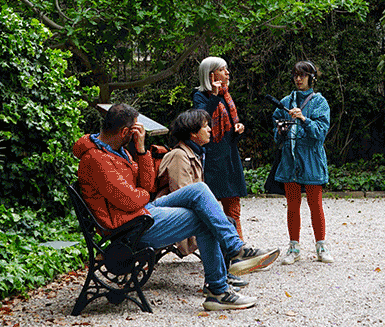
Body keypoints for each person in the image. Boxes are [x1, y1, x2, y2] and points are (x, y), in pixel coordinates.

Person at [74, 104, 279, 311]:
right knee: (202, 218)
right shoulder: (96, 160)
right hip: (129, 227)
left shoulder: (118, 151)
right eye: (136, 129)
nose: (139, 132)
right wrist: (142, 195)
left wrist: (142, 150)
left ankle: (235, 248)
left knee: (198, 190)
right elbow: (131, 200)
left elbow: (147, 185)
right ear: (125, 132)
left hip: (140, 212)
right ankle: (218, 289)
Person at [271, 61, 333, 265]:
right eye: (296, 75)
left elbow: (320, 133)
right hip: (290, 160)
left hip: (312, 160)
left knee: (315, 205)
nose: (299, 79)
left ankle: (321, 247)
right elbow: (276, 136)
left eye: (303, 75)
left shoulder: (320, 103)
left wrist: (304, 119)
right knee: (292, 206)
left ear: (311, 78)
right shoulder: (285, 101)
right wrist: (282, 129)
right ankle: (293, 247)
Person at [193, 57, 248, 239]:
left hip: (230, 156)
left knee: (233, 204)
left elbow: (229, 125)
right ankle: (219, 251)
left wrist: (238, 129)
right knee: (212, 206)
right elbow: (202, 120)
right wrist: (214, 97)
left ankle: (239, 247)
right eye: (223, 70)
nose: (227, 73)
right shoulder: (200, 96)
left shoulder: (226, 95)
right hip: (213, 159)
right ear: (211, 74)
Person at [154, 109, 208, 259]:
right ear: (193, 133)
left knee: (223, 220)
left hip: (185, 212)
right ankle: (232, 259)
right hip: (176, 217)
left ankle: (232, 258)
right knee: (217, 222)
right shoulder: (179, 156)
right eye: (205, 126)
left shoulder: (193, 154)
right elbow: (183, 195)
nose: (210, 130)